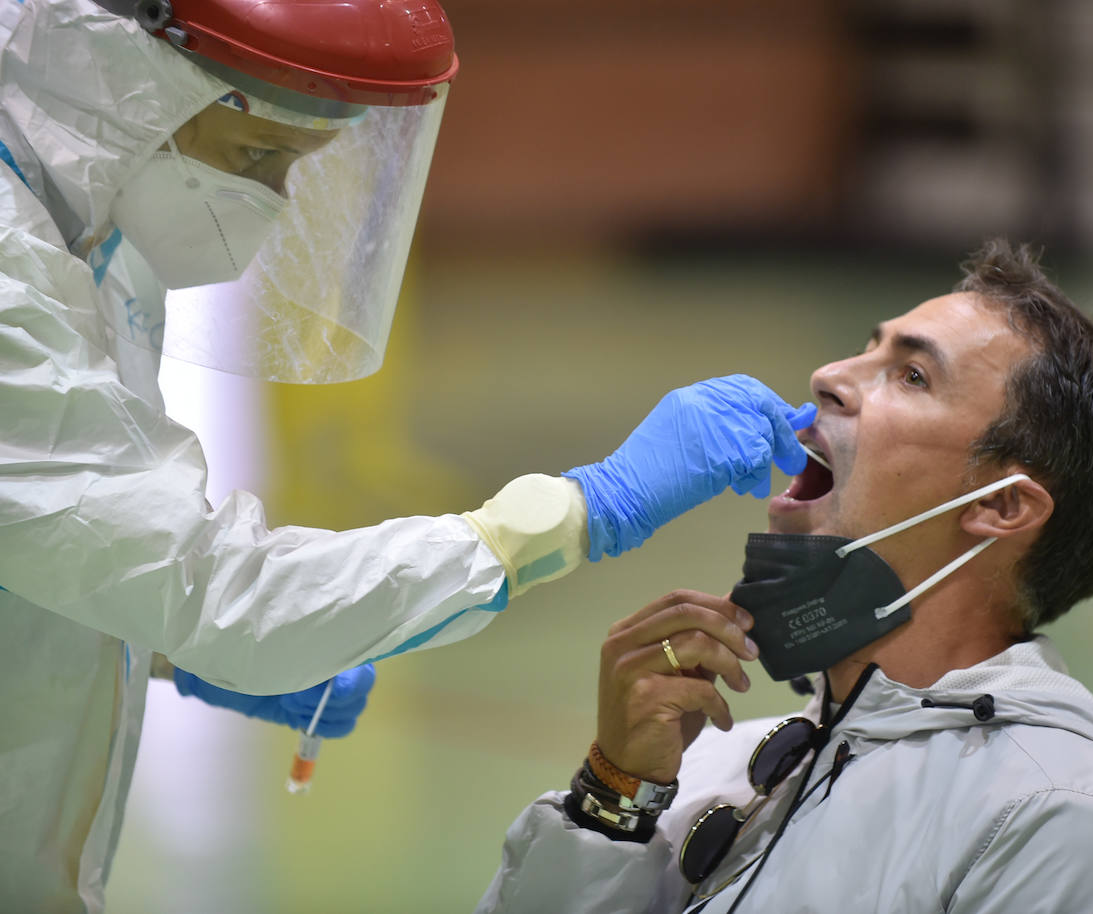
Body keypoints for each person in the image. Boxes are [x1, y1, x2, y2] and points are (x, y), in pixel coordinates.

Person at [0, 1, 814, 910]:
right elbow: (212, 587)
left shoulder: (86, 198)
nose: (271, 204)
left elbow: (66, 520)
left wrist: (141, 641)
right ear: (131, 91)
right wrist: (584, 509)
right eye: (257, 157)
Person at [477, 239, 1093, 914]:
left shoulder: (1058, 813)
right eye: (865, 349)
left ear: (1002, 506)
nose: (828, 377)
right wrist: (615, 796)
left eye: (912, 375)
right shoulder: (718, 759)